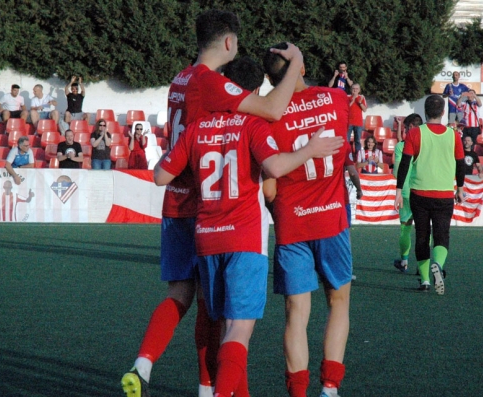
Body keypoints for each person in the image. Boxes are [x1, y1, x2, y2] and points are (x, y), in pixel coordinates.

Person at [121, 9, 309, 397]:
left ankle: (145, 364)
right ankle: (208, 388)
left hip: (176, 204)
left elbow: (165, 165)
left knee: (183, 295)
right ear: (228, 42)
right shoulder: (209, 82)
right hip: (206, 205)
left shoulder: (180, 78)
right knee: (219, 312)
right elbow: (271, 110)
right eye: (237, 41)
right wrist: (296, 66)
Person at [154, 56, 343, 397]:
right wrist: (312, 149)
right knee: (239, 329)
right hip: (248, 237)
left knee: (218, 321)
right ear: (256, 90)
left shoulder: (198, 128)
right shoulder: (256, 126)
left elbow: (159, 175)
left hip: (207, 237)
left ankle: (207, 386)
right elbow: (273, 170)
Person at [263, 41, 352, 397]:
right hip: (332, 219)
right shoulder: (336, 99)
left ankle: (297, 393)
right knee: (339, 301)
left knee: (296, 313)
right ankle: (329, 388)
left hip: (292, 222)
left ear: (270, 77)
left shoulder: (267, 117)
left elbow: (269, 190)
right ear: (300, 67)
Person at [394, 95, 465, 295]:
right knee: (442, 235)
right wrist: (459, 188)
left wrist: (398, 191)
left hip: (419, 193)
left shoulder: (415, 133)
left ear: (425, 112)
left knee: (422, 236)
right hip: (443, 193)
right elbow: (460, 164)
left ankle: (425, 280)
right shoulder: (454, 135)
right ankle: (439, 266)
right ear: (443, 113)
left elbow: (405, 163)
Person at [392, 113, 423, 273]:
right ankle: (422, 265)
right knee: (424, 228)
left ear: (411, 127)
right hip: (423, 190)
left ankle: (404, 262)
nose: (404, 131)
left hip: (405, 192)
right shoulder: (426, 145)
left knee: (406, 227)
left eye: (405, 128)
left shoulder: (400, 146)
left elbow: (397, 172)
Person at [346, 83, 367, 154]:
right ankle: (347, 155)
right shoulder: (347, 97)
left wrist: (360, 102)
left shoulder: (362, 98)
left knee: (357, 141)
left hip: (358, 123)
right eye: (353, 89)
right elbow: (346, 108)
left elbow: (364, 109)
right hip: (349, 122)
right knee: (347, 140)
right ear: (351, 89)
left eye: (356, 89)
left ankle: (358, 156)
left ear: (359, 90)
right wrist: (353, 99)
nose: (355, 90)